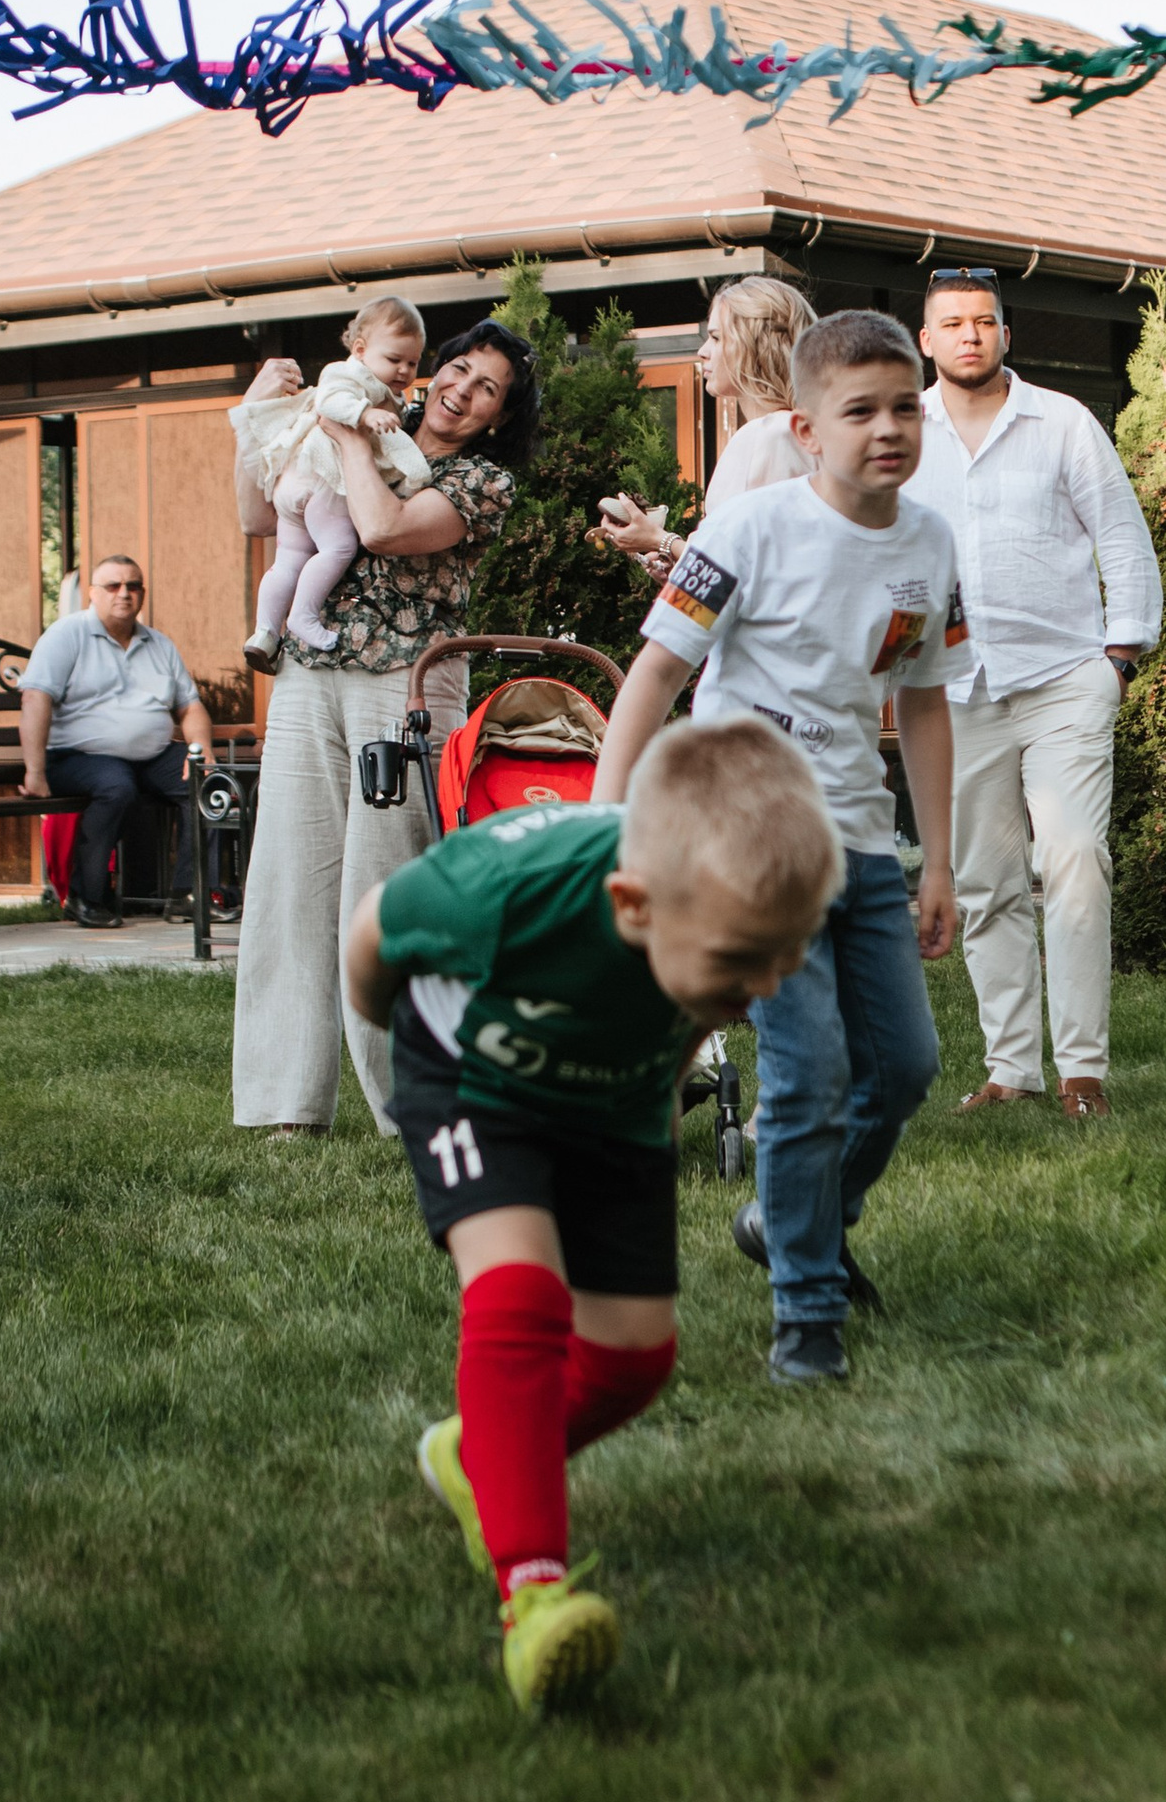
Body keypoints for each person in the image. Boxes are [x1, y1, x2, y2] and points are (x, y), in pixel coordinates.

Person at [348, 716, 842, 1712]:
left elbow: (681, 1015)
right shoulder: (507, 890)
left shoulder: (712, 936)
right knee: (522, 1294)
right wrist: (390, 1057)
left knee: (632, 1360)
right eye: (743, 960)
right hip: (470, 1075)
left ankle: (474, 1452)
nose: (764, 988)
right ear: (630, 903)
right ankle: (533, 1597)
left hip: (611, 1096)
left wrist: (657, 1104)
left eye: (787, 958)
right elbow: (371, 936)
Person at [591, 308, 964, 1381]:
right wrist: (610, 828)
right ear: (805, 427)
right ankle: (807, 1311)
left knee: (901, 1069)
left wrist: (935, 858)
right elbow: (655, 677)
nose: (887, 428)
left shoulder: (931, 545)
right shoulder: (745, 532)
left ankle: (786, 1215)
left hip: (860, 843)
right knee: (806, 1076)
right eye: (860, 411)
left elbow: (926, 705)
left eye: (905, 406)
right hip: (749, 850)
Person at [231, 316, 536, 1136]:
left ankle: (413, 1107)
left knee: (387, 892)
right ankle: (280, 1108)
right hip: (306, 676)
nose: (461, 390)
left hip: (406, 690)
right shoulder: (361, 413)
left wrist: (348, 429)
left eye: (487, 389)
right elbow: (264, 515)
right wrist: (257, 418)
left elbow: (382, 529)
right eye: (458, 369)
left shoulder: (479, 482)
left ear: (499, 416)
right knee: (289, 880)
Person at [905, 263, 1162, 1120]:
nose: (970, 334)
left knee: (1076, 860)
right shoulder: (907, 435)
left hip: (1063, 681)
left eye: (984, 321)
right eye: (953, 323)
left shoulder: (1063, 423)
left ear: (1005, 335)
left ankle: (1081, 1069)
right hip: (958, 690)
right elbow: (890, 556)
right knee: (984, 881)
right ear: (926, 340)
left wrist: (1117, 659)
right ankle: (1010, 1067)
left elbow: (1121, 538)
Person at [233, 294, 434, 668]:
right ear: (360, 349)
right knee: (338, 547)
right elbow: (330, 400)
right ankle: (303, 616)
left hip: (292, 486)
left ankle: (264, 631)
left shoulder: (385, 391)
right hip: (323, 480)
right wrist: (365, 414)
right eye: (394, 359)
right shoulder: (351, 376)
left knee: (290, 558)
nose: (404, 371)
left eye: (413, 362)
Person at [18, 555, 218, 929]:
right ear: (93, 593)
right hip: (77, 756)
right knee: (115, 786)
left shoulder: (159, 644)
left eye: (133, 586)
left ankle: (189, 895)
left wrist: (200, 750)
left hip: (150, 757)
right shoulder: (66, 635)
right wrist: (35, 771)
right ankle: (86, 896)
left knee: (207, 783)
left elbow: (190, 708)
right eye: (113, 586)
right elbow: (35, 699)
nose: (124, 593)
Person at [593, 274, 818, 577]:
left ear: (751, 346)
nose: (702, 351)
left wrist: (660, 541)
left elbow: (747, 572)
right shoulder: (787, 433)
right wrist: (678, 567)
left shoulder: (775, 435)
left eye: (715, 337)